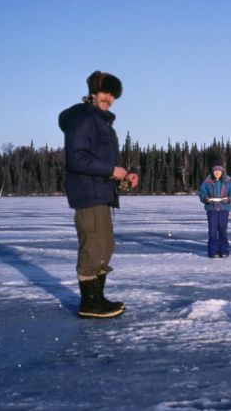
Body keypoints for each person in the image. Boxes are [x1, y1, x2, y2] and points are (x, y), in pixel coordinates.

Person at [59, 71, 138, 318]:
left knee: (105, 246)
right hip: (87, 192)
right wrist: (110, 170)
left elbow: (99, 158)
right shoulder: (84, 119)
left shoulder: (101, 121)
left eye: (113, 94)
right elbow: (77, 158)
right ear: (94, 92)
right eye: (105, 92)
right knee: (93, 246)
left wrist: (123, 174)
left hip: (100, 192)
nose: (109, 98)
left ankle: (98, 298)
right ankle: (89, 303)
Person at [199, 164, 231, 258]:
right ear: (212, 172)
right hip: (211, 210)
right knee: (212, 231)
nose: (217, 172)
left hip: (223, 210)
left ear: (222, 171)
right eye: (215, 170)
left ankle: (224, 251)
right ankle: (213, 252)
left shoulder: (229, 182)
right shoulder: (206, 182)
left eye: (219, 171)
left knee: (222, 230)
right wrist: (206, 199)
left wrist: (228, 199)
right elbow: (202, 194)